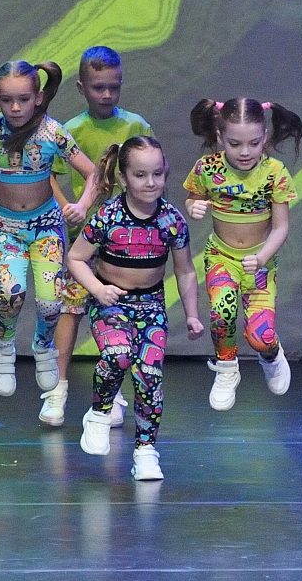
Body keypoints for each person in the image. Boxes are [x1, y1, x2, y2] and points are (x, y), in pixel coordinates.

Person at [0, 60, 99, 421]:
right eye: (7, 100)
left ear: (38, 97)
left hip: (46, 228)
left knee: (50, 301)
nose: (15, 107)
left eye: (23, 99)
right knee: (12, 292)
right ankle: (3, 346)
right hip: (8, 228)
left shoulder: (53, 132)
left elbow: (92, 172)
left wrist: (82, 205)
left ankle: (43, 346)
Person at [65, 137, 204, 481]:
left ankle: (145, 450)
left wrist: (191, 314)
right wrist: (98, 289)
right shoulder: (108, 216)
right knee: (118, 355)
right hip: (111, 303)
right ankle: (99, 413)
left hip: (151, 306)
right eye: (141, 175)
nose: (151, 182)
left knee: (149, 376)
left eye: (157, 174)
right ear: (124, 178)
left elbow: (185, 270)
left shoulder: (171, 220)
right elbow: (76, 258)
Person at [50, 46, 151, 428]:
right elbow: (49, 174)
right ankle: (57, 389)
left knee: (120, 315)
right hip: (84, 239)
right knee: (71, 308)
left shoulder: (136, 126)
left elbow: (152, 173)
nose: (107, 94)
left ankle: (114, 394)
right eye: (98, 87)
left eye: (114, 86)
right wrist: (67, 206)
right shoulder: (70, 130)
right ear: (82, 87)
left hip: (126, 242)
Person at [184, 97, 302, 409]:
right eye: (235, 144)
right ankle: (226, 367)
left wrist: (262, 258)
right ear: (220, 136)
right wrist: (193, 206)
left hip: (259, 264)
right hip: (221, 257)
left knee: (259, 336)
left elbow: (281, 227)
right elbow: (193, 196)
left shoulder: (274, 172)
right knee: (221, 312)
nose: (245, 152)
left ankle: (271, 355)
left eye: (253, 143)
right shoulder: (207, 168)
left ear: (264, 136)